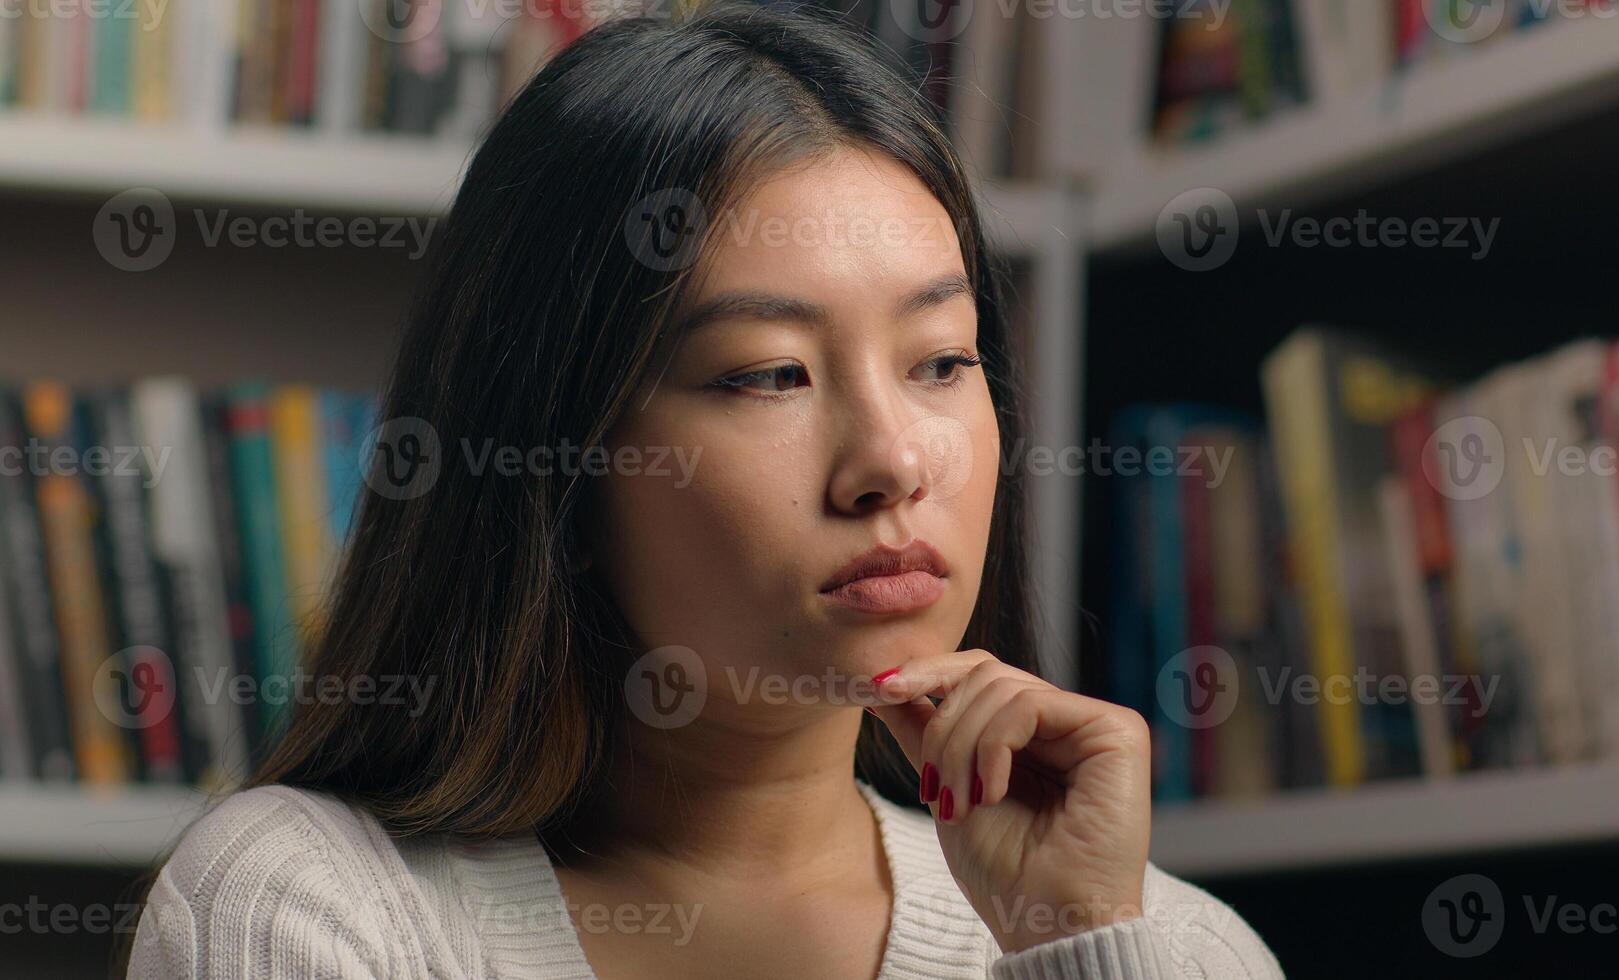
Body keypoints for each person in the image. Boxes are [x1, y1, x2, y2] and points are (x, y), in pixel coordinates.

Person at [125, 5, 1281, 977]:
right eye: (768, 373)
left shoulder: (1169, 943)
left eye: (939, 360)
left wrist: (1070, 941)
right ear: (556, 457)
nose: (891, 458)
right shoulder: (308, 907)